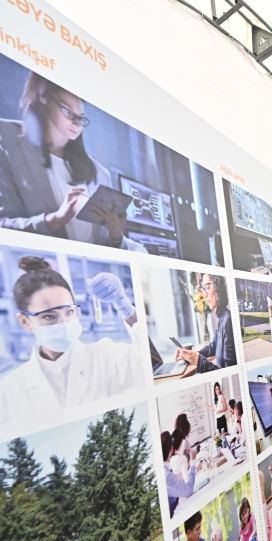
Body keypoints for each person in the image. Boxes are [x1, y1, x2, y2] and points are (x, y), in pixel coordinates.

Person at [0, 72, 147, 251]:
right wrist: (55, 220)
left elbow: (99, 244)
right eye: (68, 112)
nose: (77, 124)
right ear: (43, 97)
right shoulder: (6, 137)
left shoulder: (99, 174)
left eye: (81, 118)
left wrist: (116, 236)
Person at [0, 256, 145, 424]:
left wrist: (126, 307)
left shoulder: (106, 356)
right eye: (49, 316)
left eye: (69, 312)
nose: (64, 324)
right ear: (25, 321)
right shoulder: (10, 390)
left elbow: (148, 361)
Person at [177, 273, 236, 373]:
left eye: (208, 287)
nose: (204, 294)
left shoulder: (227, 320)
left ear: (219, 288)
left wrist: (198, 360)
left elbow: (228, 373)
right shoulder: (222, 318)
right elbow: (212, 347)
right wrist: (190, 354)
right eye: (204, 289)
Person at [162, 431, 196, 517]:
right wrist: (193, 461)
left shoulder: (166, 470)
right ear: (171, 448)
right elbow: (188, 490)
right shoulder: (167, 475)